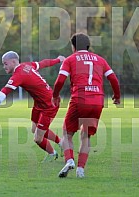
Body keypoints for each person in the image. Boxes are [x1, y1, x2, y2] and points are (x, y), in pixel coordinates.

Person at [52, 33, 121, 178]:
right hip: (97, 101)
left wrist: (55, 96)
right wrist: (117, 96)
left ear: (73, 46)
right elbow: (113, 78)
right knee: (86, 136)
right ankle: (80, 170)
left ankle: (70, 160)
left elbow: (59, 81)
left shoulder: (70, 59)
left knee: (66, 133)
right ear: (88, 45)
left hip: (79, 99)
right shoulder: (100, 60)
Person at [0, 51, 65, 162]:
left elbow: (2, 95)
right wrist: (57, 60)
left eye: (5, 63)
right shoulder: (26, 65)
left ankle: (53, 154)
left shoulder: (18, 75)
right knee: (35, 129)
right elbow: (43, 63)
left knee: (38, 138)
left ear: (13, 61)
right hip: (40, 103)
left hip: (49, 105)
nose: (4, 67)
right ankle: (61, 143)